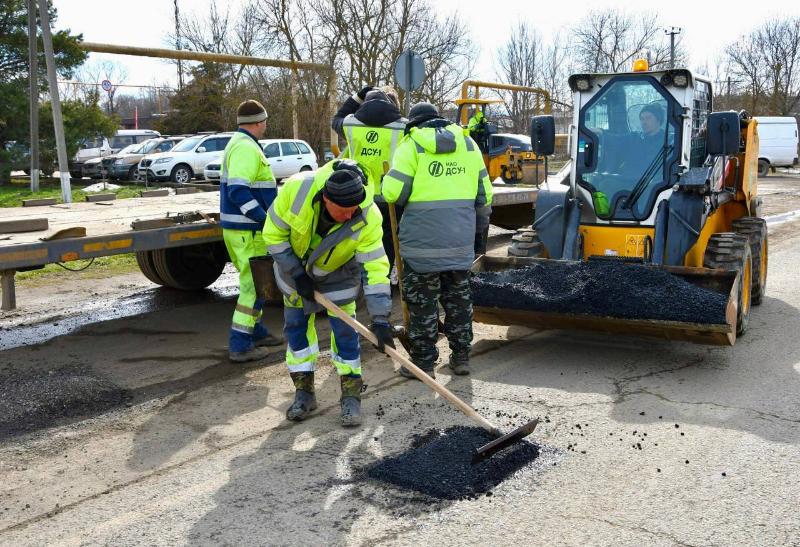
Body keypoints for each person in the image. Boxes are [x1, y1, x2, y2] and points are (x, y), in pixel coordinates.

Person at [264, 160, 394, 427]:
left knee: (346, 333)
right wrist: (297, 273)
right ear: (325, 198)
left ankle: (350, 397)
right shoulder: (296, 191)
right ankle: (304, 393)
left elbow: (375, 267)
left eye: (353, 209)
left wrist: (380, 318)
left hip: (338, 273)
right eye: (343, 211)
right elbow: (273, 234)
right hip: (295, 271)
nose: (350, 215)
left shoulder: (368, 216)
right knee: (297, 331)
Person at [382, 102, 493, 378]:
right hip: (459, 244)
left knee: (423, 304)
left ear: (415, 124)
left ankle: (423, 362)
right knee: (458, 301)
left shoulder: (411, 147)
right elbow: (485, 196)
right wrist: (477, 234)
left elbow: (393, 193)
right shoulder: (468, 145)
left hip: (421, 247)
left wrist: (389, 181)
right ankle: (461, 357)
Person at [221, 99, 283, 363]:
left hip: (240, 231)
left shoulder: (239, 144)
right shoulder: (246, 148)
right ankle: (240, 344)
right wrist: (263, 219)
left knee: (252, 283)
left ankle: (256, 331)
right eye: (265, 121)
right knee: (254, 288)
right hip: (249, 231)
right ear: (259, 122)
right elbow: (238, 190)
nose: (266, 125)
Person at [331, 86, 407, 273]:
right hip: (389, 196)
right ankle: (385, 276)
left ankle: (361, 276)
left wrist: (357, 96)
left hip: (358, 196)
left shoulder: (351, 125)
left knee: (359, 239)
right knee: (388, 240)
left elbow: (337, 118)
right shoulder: (403, 126)